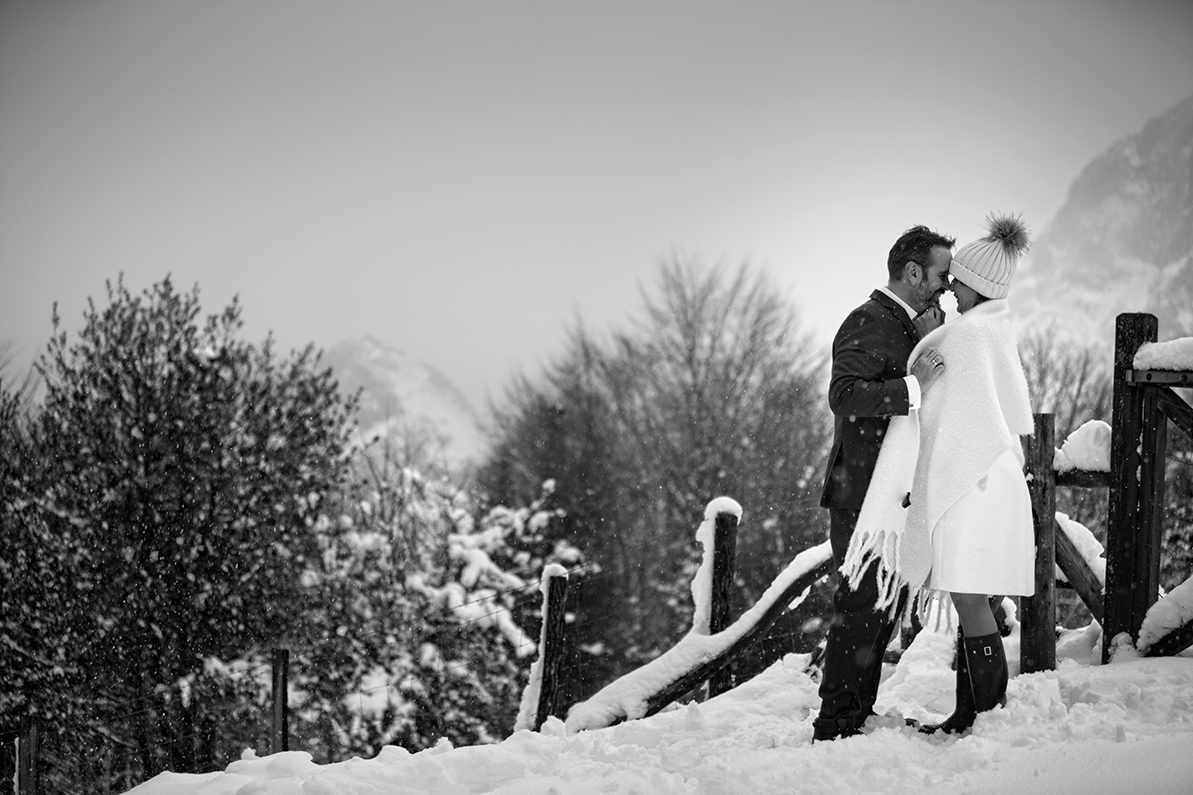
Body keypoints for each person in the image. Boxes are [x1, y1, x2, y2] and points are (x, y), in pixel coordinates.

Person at [840, 214, 1035, 736]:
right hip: (987, 484)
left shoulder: (967, 335)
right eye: (945, 275)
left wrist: (932, 342)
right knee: (974, 596)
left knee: (970, 598)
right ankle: (972, 713)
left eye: (957, 278)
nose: (948, 286)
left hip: (969, 488)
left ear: (977, 283)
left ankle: (981, 715)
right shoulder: (990, 328)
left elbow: (943, 398)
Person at [812, 225, 955, 742]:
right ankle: (835, 725)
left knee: (880, 609)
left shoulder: (906, 323)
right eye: (940, 275)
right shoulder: (867, 320)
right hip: (861, 496)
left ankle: (856, 715)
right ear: (913, 271)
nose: (945, 286)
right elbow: (845, 395)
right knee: (858, 610)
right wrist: (917, 386)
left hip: (889, 499)